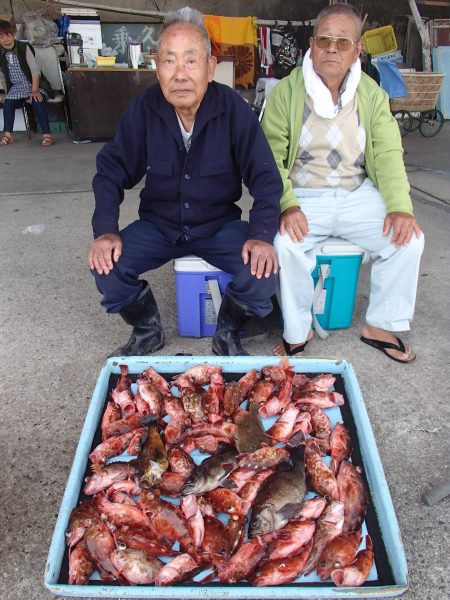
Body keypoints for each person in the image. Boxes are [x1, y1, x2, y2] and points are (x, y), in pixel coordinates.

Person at [88, 6, 282, 357]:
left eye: (191, 61)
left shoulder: (234, 110)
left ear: (210, 67)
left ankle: (227, 331)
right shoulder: (144, 109)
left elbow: (266, 178)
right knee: (107, 264)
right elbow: (111, 169)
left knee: (265, 269)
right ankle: (147, 330)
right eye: (169, 61)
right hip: (159, 226)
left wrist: (261, 236)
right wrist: (105, 230)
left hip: (218, 226)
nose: (180, 75)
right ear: (156, 67)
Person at [261, 3, 424, 363]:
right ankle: (297, 330)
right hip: (304, 194)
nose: (332, 49)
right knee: (285, 244)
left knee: (408, 239)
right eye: (324, 40)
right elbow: (270, 157)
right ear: (312, 43)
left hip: (355, 192)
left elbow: (386, 153)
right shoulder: (286, 93)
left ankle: (381, 325)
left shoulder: (370, 94)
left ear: (356, 50)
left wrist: (399, 207)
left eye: (342, 42)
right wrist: (287, 203)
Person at [0, 19, 54, 147]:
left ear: (12, 34)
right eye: (1, 37)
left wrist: (34, 90)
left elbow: (35, 71)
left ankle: (47, 134)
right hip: (16, 87)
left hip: (33, 83)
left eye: (8, 35)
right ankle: (8, 134)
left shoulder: (24, 48)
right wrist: (8, 93)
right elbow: (2, 77)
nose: (6, 39)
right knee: (8, 102)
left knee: (37, 100)